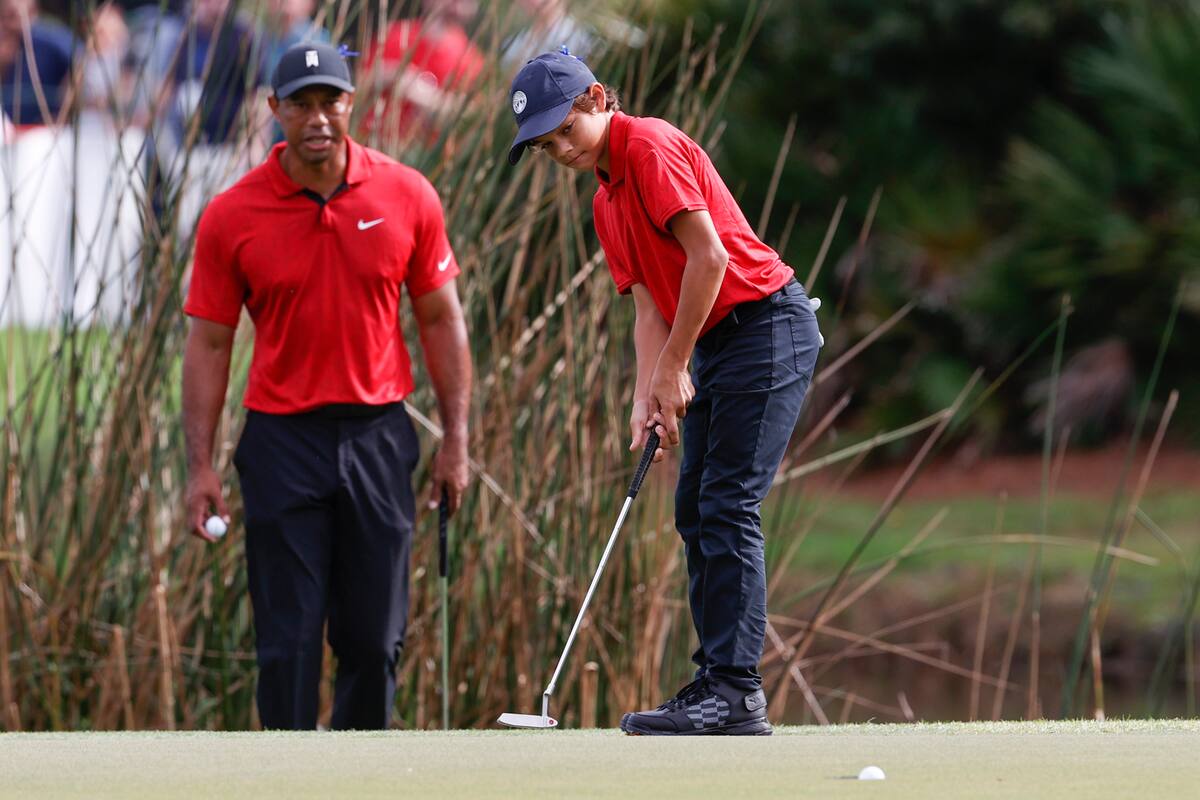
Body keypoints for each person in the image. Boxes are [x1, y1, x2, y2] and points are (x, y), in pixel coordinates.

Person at [507, 51, 821, 736]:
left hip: (766, 326)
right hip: (718, 340)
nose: (561, 149)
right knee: (695, 508)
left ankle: (736, 693)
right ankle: (716, 683)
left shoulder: (647, 145)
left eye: (565, 130)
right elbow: (649, 307)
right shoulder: (605, 199)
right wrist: (646, 394)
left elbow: (711, 259)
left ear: (596, 98)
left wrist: (676, 366)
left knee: (727, 502)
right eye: (546, 145)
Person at [182, 41, 471, 730]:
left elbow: (440, 319)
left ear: (351, 104)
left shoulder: (407, 193)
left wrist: (457, 439)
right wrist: (199, 466)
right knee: (288, 645)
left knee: (374, 641)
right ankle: (289, 775)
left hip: (379, 436)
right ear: (274, 109)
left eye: (330, 101)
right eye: (301, 104)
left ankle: (359, 772)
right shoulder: (231, 213)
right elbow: (210, 343)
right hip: (280, 441)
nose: (317, 117)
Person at [358, 0, 483, 146]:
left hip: (420, 151)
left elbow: (467, 115)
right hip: (369, 142)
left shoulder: (471, 60)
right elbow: (359, 85)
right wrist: (390, 76)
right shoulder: (395, 34)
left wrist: (418, 92)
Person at [0, 0, 74, 127]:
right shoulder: (6, 38)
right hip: (9, 126)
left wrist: (63, 114)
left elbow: (81, 64)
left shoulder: (50, 37)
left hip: (43, 129)